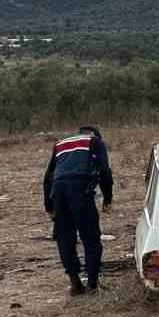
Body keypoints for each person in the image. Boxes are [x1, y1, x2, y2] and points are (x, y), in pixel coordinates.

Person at [43, 125, 113, 295]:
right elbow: (104, 171)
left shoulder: (60, 144)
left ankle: (75, 283)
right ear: (96, 135)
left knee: (65, 238)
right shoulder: (95, 142)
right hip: (80, 189)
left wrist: (49, 206)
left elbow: (48, 177)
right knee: (90, 237)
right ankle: (92, 285)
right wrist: (107, 199)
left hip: (58, 191)